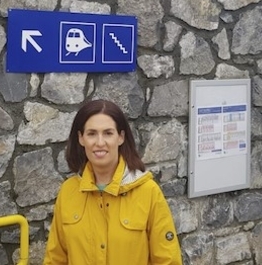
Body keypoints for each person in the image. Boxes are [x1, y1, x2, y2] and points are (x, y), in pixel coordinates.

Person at [43, 99, 182, 265]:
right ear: (81, 138)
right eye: (92, 133)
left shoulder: (148, 192)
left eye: (108, 133)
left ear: (121, 137)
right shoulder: (68, 191)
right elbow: (55, 259)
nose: (100, 142)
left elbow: (168, 260)